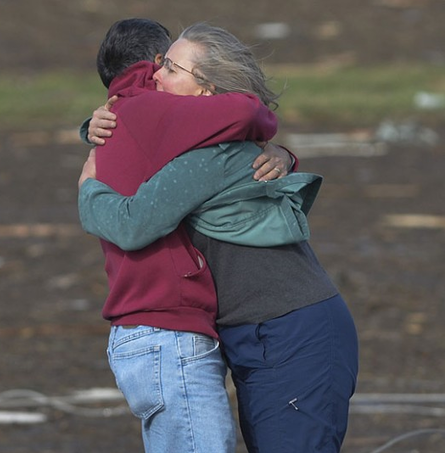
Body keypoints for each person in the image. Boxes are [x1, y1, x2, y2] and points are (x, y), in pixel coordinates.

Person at [80, 22, 359, 453]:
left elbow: (132, 224)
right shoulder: (190, 141)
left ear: (206, 92)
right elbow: (136, 118)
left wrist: (88, 189)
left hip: (291, 329)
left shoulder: (209, 155)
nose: (155, 77)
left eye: (170, 68)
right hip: (259, 333)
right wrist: (94, 123)